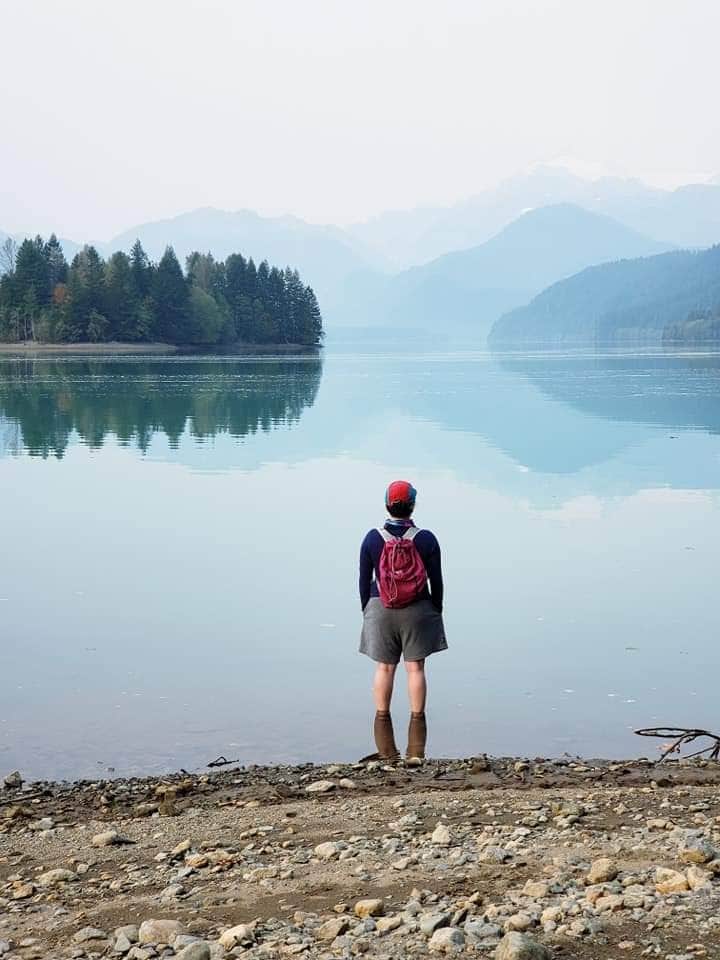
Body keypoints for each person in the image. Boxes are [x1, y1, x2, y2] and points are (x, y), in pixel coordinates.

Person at [359, 480, 447, 762]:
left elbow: (363, 581)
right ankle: (417, 736)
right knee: (415, 668)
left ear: (386, 505)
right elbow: (437, 580)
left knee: (385, 668)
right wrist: (436, 608)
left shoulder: (372, 538)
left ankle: (383, 730)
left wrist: (368, 609)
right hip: (418, 608)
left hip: (380, 606)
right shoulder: (426, 538)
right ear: (412, 505)